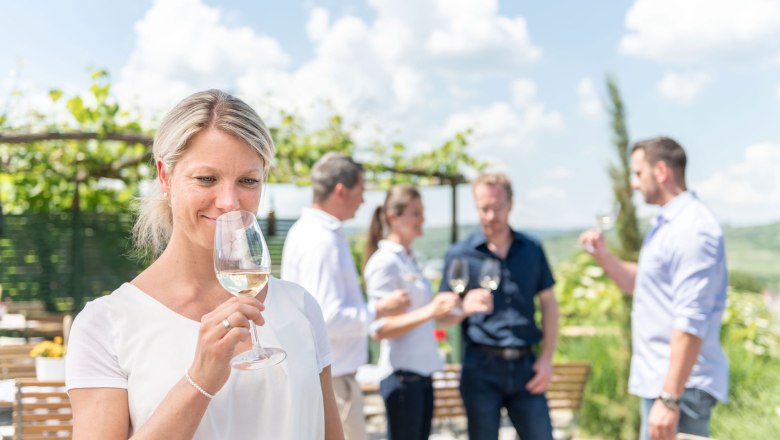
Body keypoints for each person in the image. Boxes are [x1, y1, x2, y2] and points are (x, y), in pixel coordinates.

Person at [65, 90, 344, 440]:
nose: (229, 202)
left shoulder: (300, 308)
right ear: (165, 177)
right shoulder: (105, 325)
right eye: (206, 179)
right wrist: (199, 381)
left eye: (248, 181)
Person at [579, 136, 728, 440]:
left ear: (661, 171)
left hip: (682, 389)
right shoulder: (668, 225)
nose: (635, 184)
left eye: (638, 173)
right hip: (665, 385)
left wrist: (670, 398)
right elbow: (640, 284)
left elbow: (691, 319)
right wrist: (604, 256)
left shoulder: (692, 229)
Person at [281, 153, 410, 440]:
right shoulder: (322, 241)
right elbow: (328, 318)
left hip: (327, 376)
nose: (363, 201)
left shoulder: (306, 232)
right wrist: (379, 309)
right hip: (335, 382)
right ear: (341, 190)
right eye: (361, 191)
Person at [440, 172, 559, 440]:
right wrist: (463, 309)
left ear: (511, 205)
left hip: (527, 366)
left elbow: (549, 305)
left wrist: (547, 358)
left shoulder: (531, 248)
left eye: (497, 208)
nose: (491, 216)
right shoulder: (460, 254)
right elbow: (443, 317)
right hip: (480, 368)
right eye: (484, 209)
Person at [362, 184, 484, 440]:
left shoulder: (409, 258)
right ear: (394, 217)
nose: (423, 220)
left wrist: (464, 310)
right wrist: (431, 310)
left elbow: (429, 317)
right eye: (415, 213)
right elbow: (379, 329)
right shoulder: (384, 262)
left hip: (422, 376)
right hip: (402, 378)